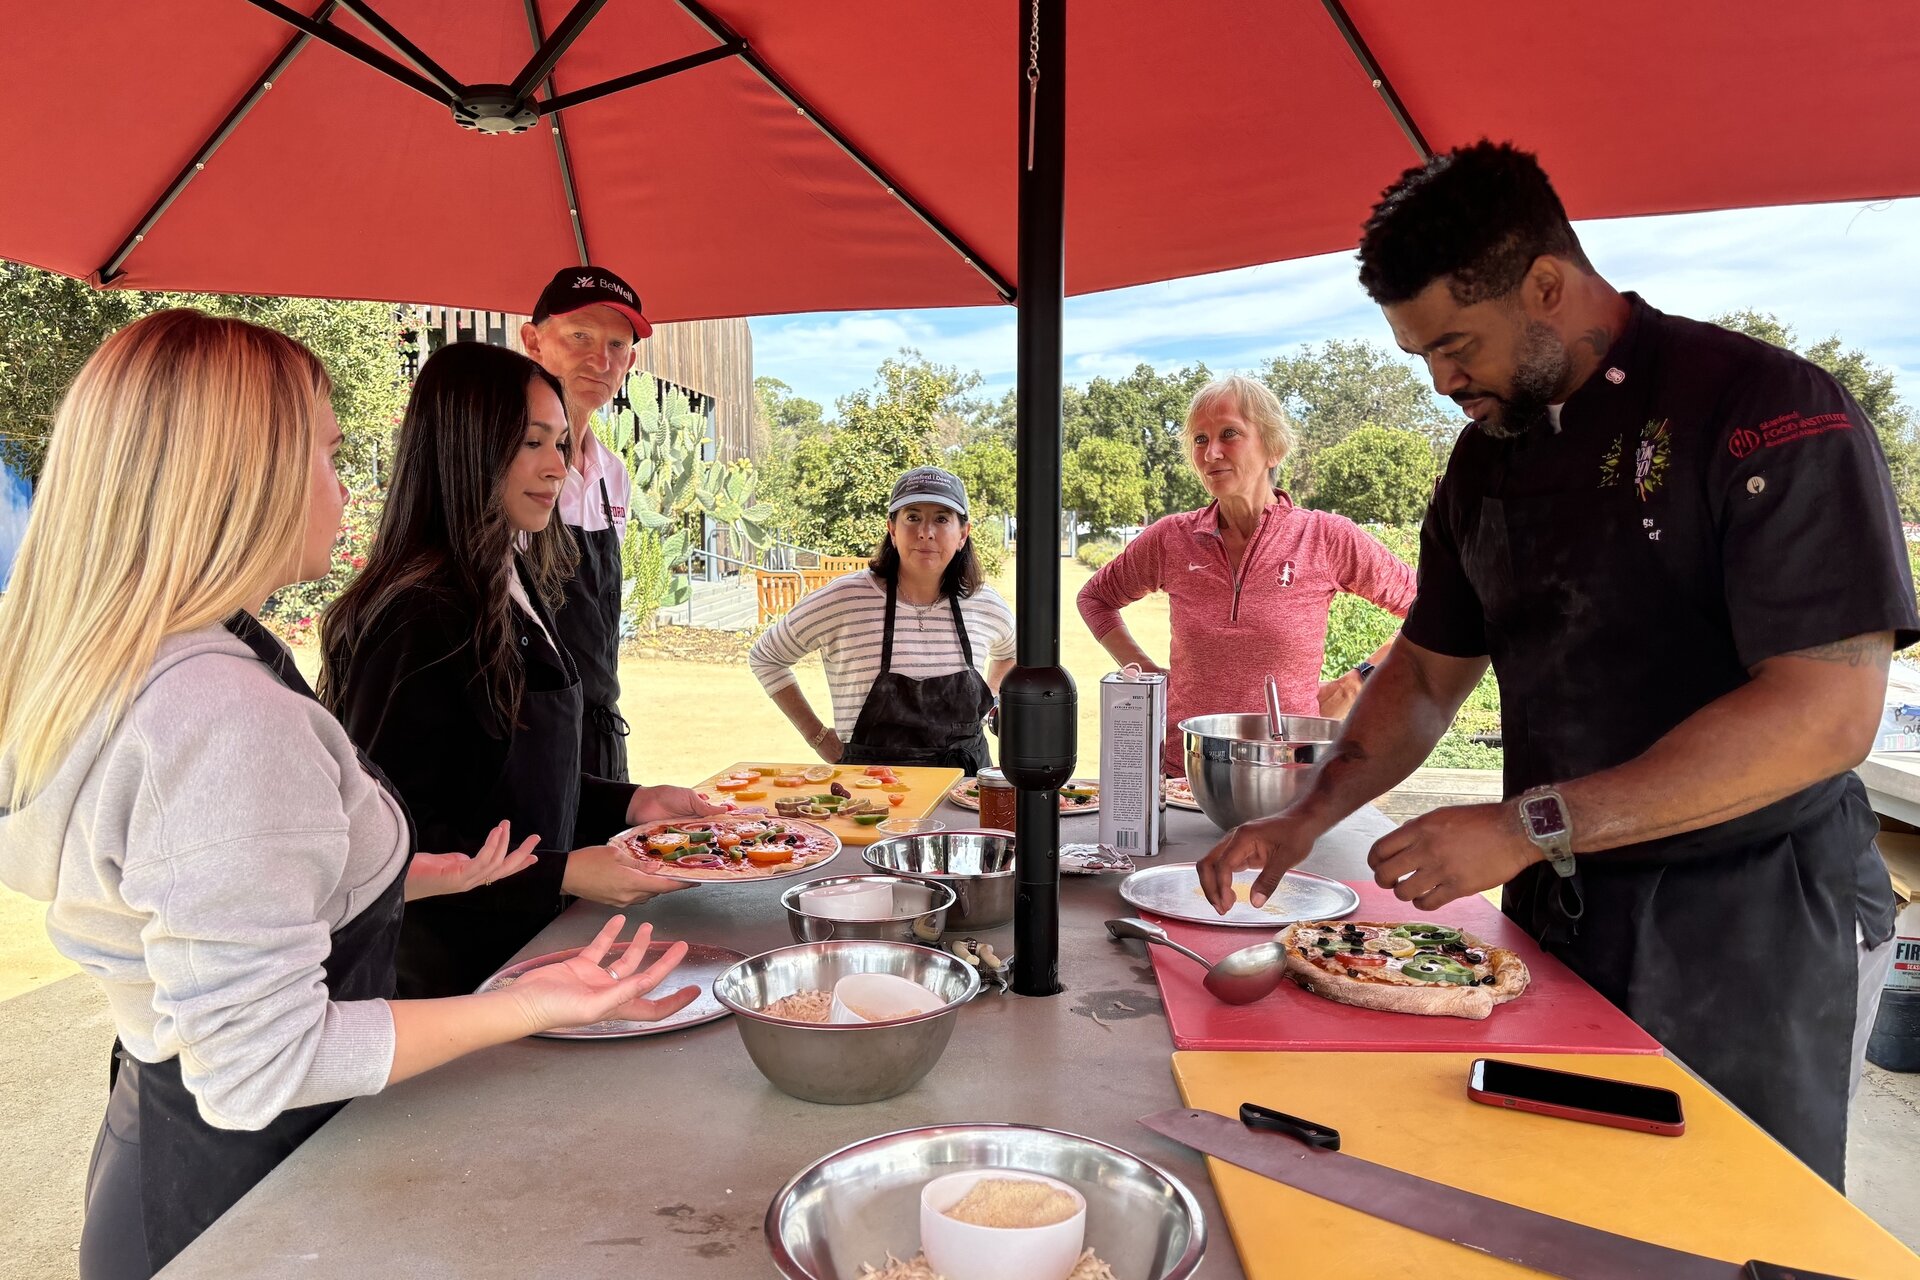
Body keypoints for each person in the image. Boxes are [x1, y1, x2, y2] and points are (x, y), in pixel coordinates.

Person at [1198, 141, 1914, 1190]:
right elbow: (1429, 671)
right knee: (1563, 1192)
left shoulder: (1765, 409)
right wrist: (1307, 813)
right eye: (1421, 358)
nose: (1444, 382)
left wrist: (1523, 825)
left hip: (1761, 922)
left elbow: (1823, 713)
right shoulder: (1484, 464)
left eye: (1456, 345)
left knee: (1731, 1216)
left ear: (1545, 283)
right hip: (1564, 909)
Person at [0, 310, 699, 1280]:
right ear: (244, 476)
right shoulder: (222, 712)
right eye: (328, 454)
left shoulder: (171, 661)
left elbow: (191, 888)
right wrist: (531, 1001)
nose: (344, 487)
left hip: (173, 1155)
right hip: (230, 1193)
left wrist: (393, 877)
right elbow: (260, 1059)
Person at [321, 342, 720, 999]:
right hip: (447, 977)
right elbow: (393, 832)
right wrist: (562, 872)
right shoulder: (415, 614)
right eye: (532, 443)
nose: (556, 468)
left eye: (561, 444)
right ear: (465, 445)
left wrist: (631, 804)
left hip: (530, 954)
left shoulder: (514, 577)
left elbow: (514, 779)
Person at [1077, 374, 1416, 775]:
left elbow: (1429, 608)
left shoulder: (1324, 537)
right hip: (1184, 772)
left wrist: (1354, 684)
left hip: (1288, 776)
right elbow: (1095, 598)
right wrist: (1147, 674)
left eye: (1229, 434)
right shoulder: (1171, 538)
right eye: (1200, 440)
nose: (1211, 453)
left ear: (1273, 448)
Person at [749, 467, 1015, 773]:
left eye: (942, 519)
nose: (925, 531)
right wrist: (817, 736)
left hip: (964, 791)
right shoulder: (845, 599)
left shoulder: (984, 603)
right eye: (912, 517)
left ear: (963, 534)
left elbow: (1011, 653)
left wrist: (989, 706)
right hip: (870, 795)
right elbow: (766, 658)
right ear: (892, 529)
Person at [519, 266, 652, 781]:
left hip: (599, 726)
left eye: (618, 346)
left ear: (631, 362)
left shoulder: (612, 475)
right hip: (525, 729)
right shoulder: (503, 466)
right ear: (533, 341)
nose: (601, 360)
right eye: (580, 337)